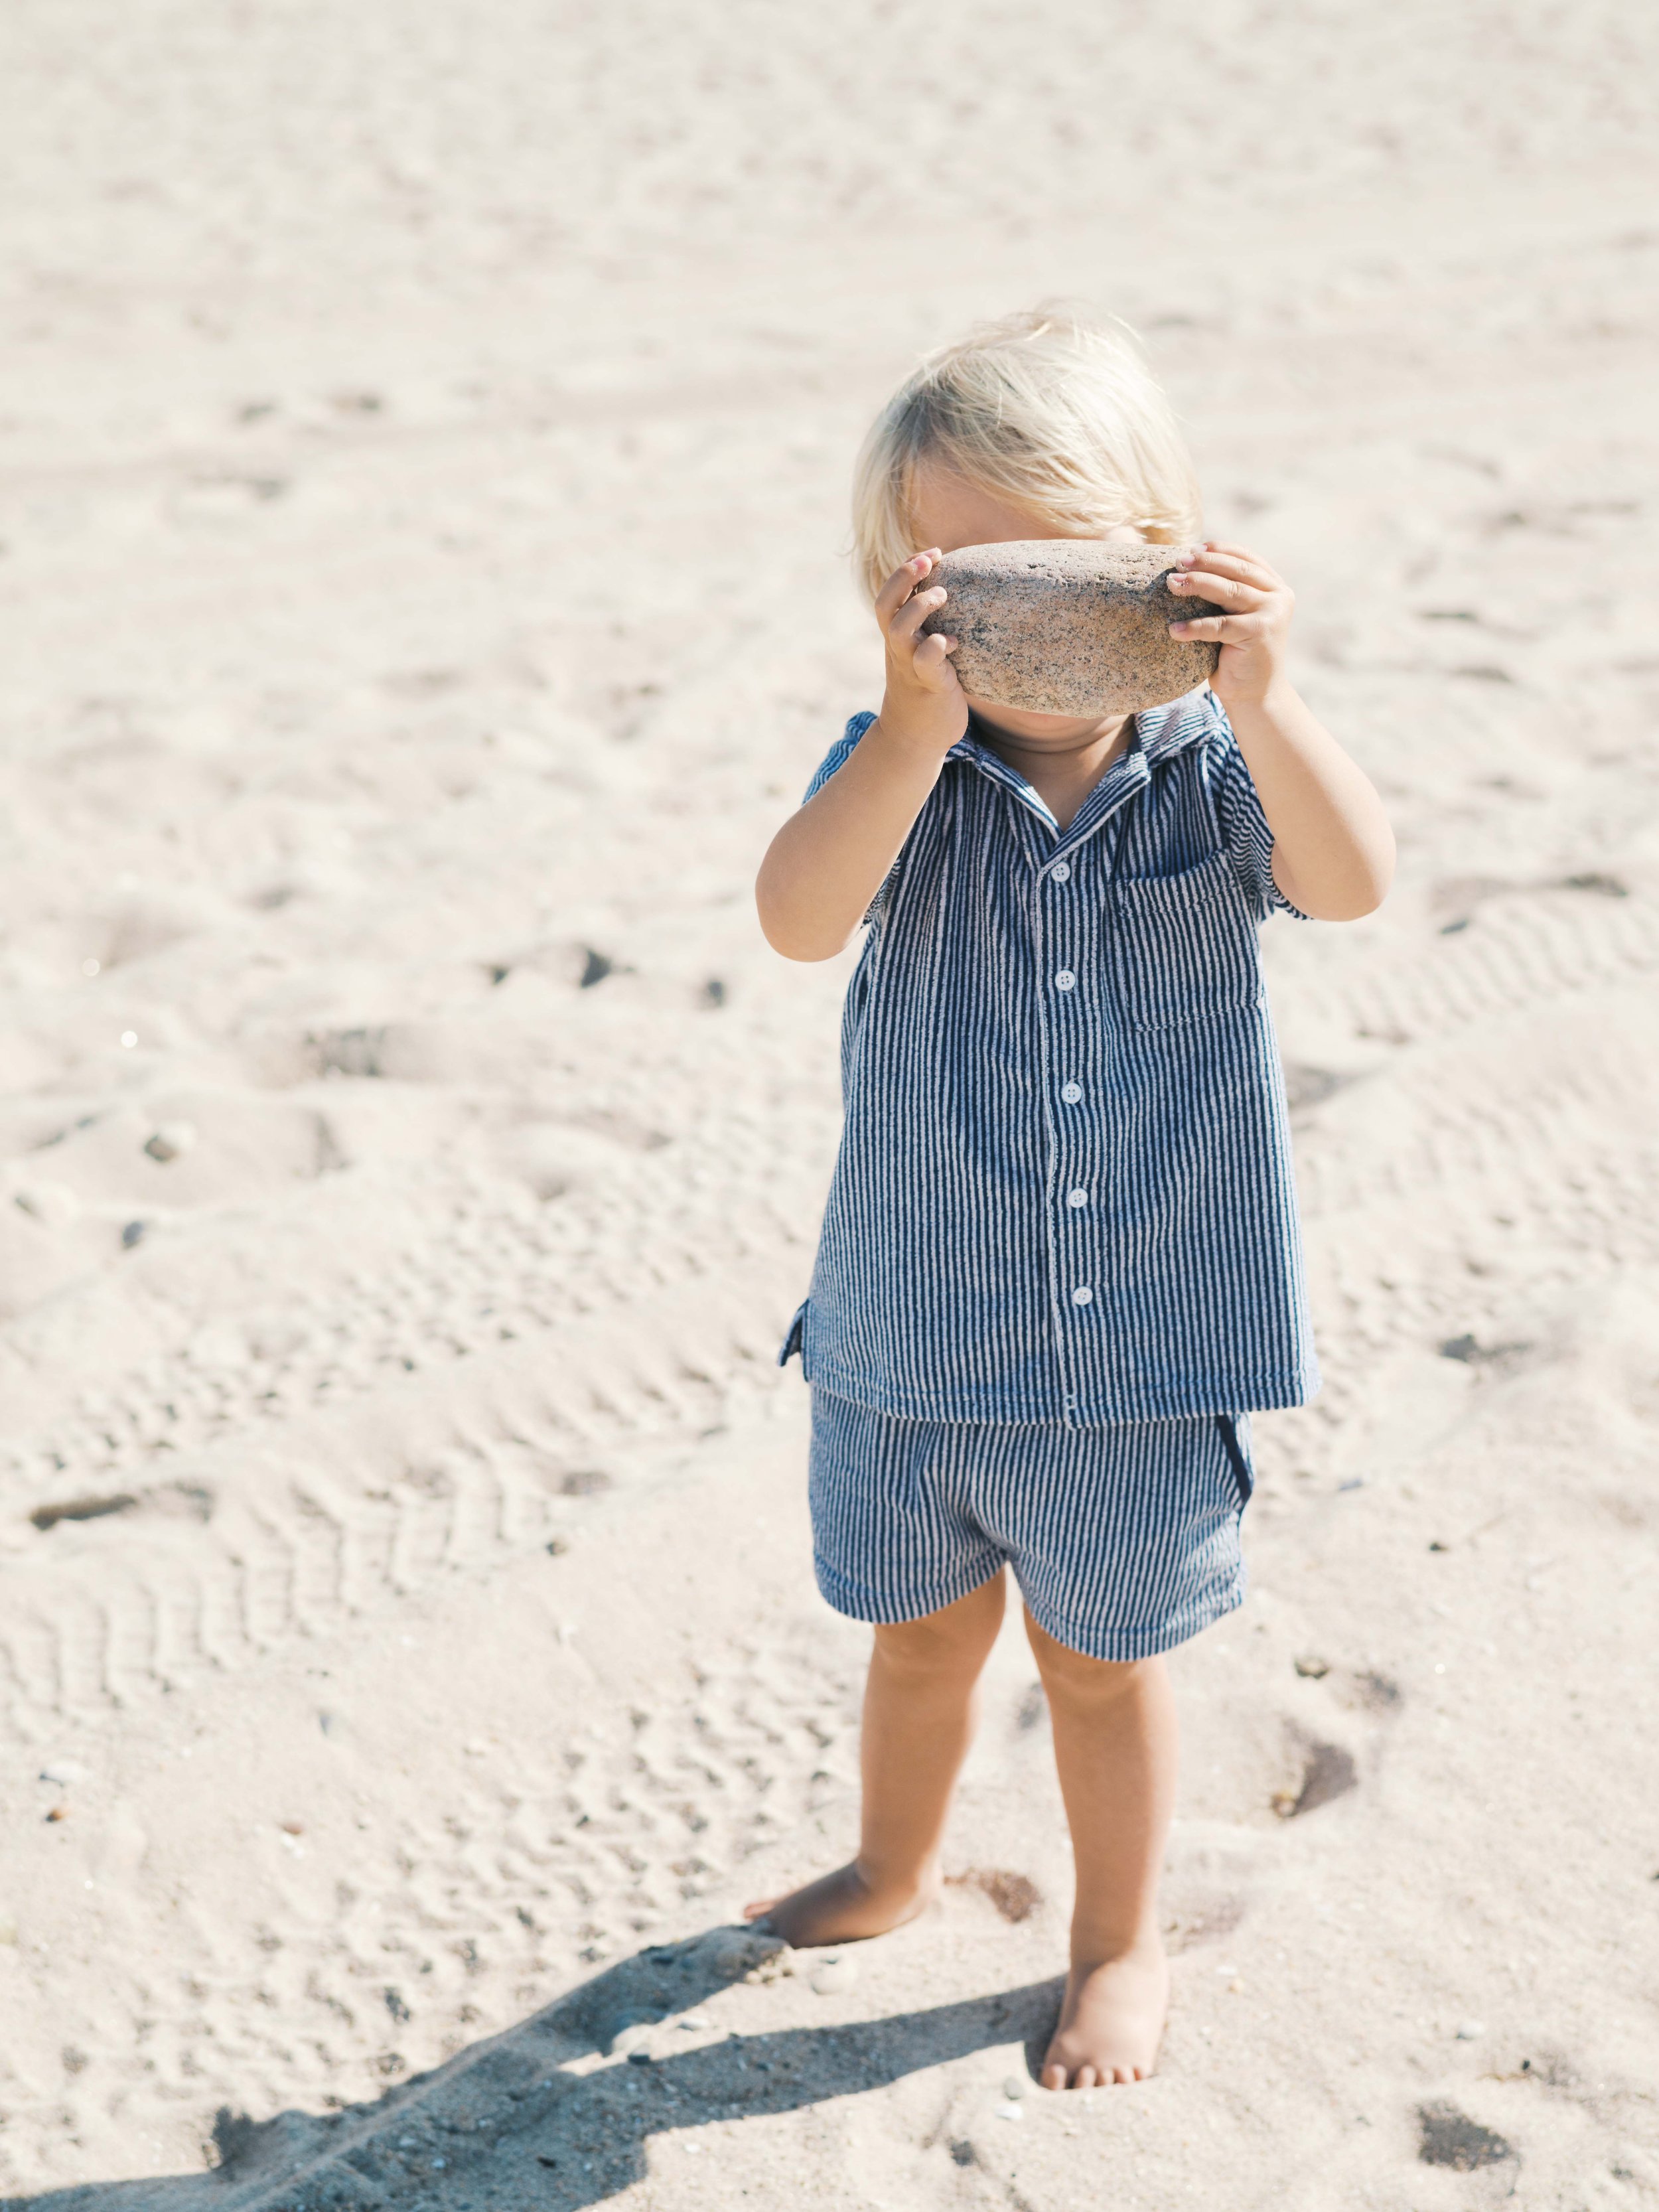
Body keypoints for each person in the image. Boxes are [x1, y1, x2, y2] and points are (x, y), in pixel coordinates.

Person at [749, 309, 1393, 2090]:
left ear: (1166, 563)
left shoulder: (1213, 772)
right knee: (914, 1639)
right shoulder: (902, 772)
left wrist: (1263, 690)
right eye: (967, 583)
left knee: (1103, 1671)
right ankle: (893, 1865)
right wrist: (901, 721)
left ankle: (1113, 1944)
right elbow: (799, 919)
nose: (1023, 631)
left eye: (1073, 574)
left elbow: (1350, 883)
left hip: (1140, 1355)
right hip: (912, 1333)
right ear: (902, 591)